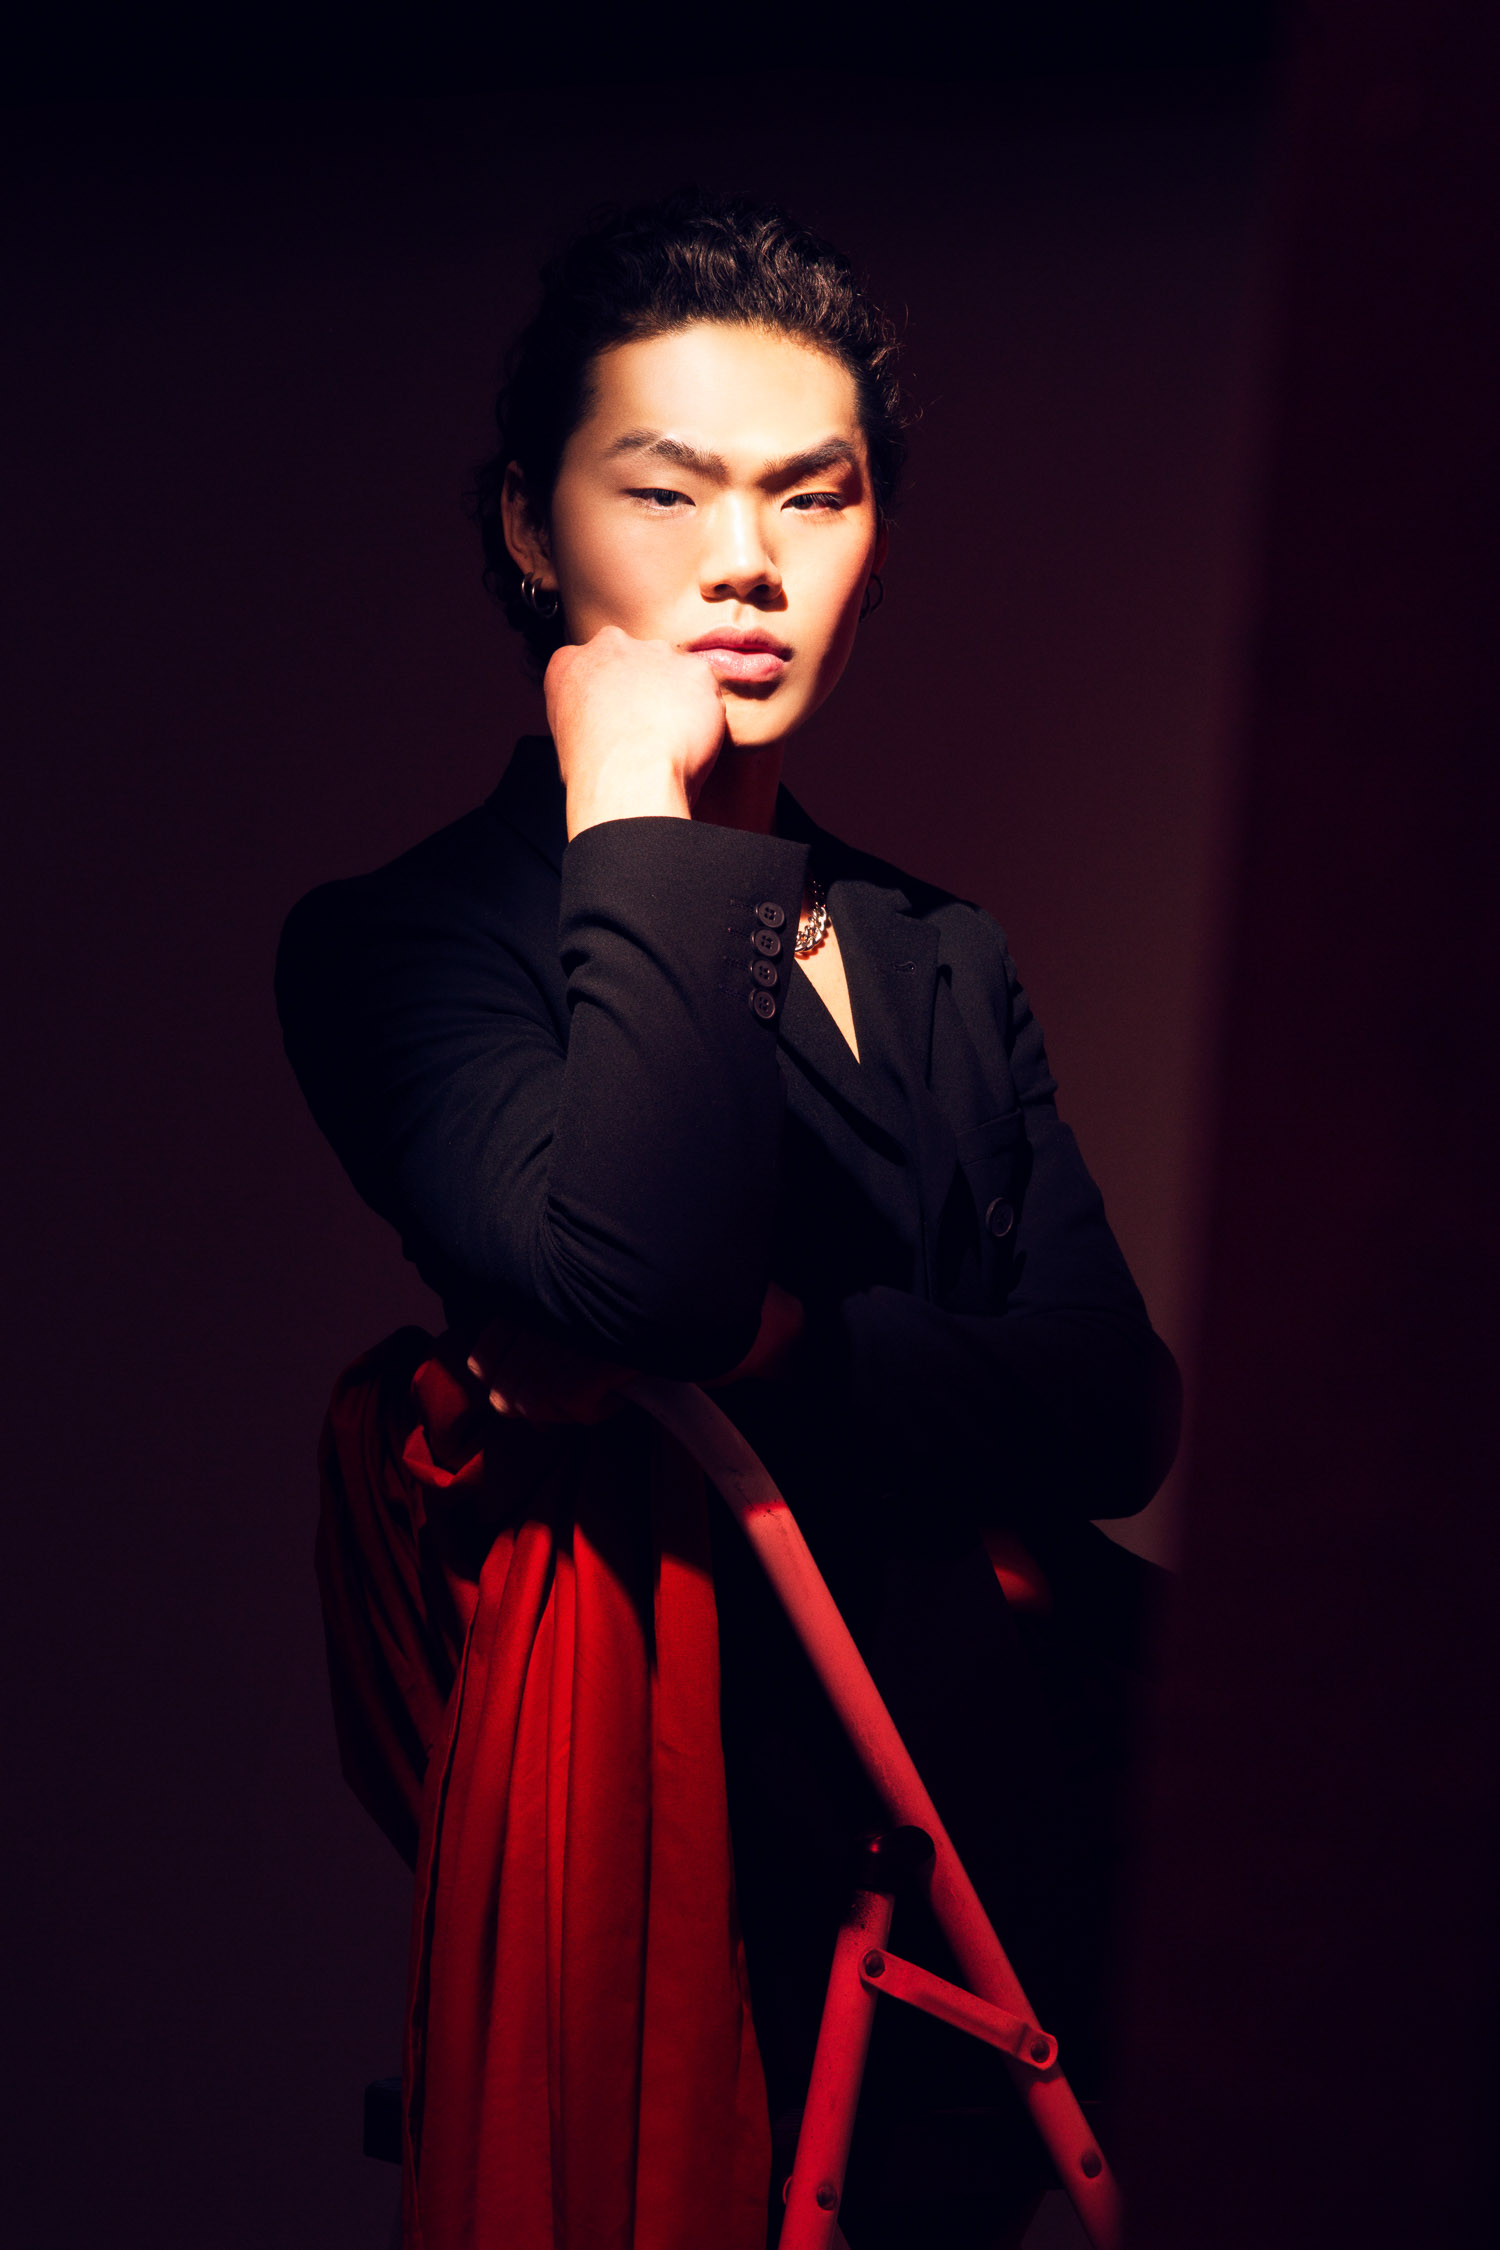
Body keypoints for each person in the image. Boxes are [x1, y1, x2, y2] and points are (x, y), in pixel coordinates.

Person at [276, 189, 1181, 2250]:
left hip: (1049, 1780)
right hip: (748, 1820)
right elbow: (652, 1275)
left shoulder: (943, 948)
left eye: (815, 494)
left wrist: (794, 1353)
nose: (750, 562)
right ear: (531, 529)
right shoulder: (399, 946)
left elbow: (1116, 1406)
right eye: (665, 492)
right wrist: (627, 812)